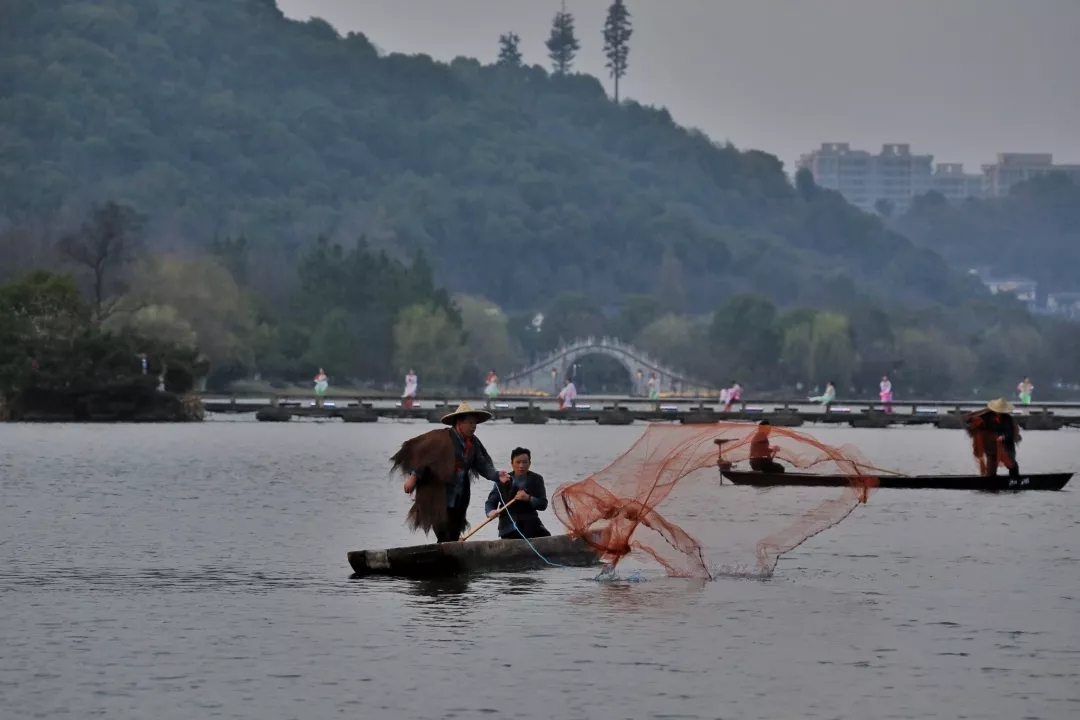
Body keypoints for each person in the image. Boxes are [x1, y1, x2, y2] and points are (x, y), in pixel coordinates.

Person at [390, 402, 509, 543]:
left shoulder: (473, 443)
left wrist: (497, 475)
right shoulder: (441, 439)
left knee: (454, 530)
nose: (473, 426)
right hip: (440, 491)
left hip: (460, 493)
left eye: (475, 423)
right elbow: (425, 459)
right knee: (442, 530)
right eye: (470, 423)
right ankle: (443, 551)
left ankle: (451, 551)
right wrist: (413, 477)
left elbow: (481, 464)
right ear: (459, 423)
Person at [484, 447, 551, 539]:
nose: (521, 466)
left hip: (531, 523)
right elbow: (490, 502)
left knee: (545, 536)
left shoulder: (537, 479)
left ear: (529, 463)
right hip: (508, 526)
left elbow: (543, 504)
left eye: (525, 462)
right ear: (512, 464)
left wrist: (528, 498)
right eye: (518, 462)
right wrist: (490, 512)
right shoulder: (503, 480)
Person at [965, 398, 1022, 478]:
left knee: (1011, 464)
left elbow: (1010, 433)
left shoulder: (1008, 419)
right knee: (991, 468)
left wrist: (1003, 437)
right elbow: (971, 422)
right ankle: (991, 481)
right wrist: (974, 423)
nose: (1000, 412)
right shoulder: (986, 416)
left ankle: (1015, 480)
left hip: (1006, 445)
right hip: (991, 445)